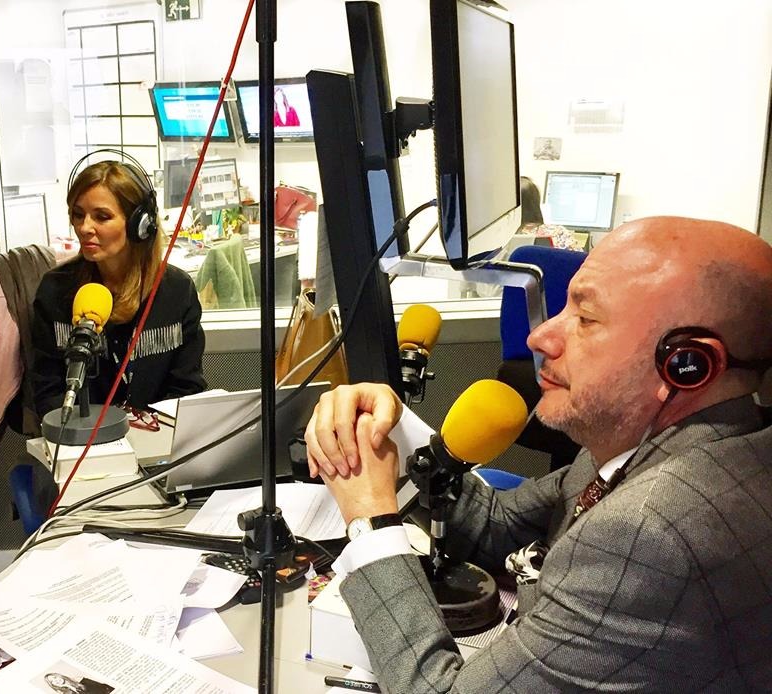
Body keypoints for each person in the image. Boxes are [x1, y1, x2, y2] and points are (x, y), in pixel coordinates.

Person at [305, 216, 772, 692]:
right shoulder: (657, 444)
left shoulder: (652, 531)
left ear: (687, 365)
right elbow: (497, 525)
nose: (540, 337)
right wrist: (390, 425)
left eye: (585, 319)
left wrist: (370, 521)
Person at [31, 160, 206, 419]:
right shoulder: (55, 291)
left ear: (140, 224)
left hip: (159, 436)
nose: (84, 228)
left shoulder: (176, 291)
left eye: (102, 217)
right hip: (80, 437)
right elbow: (48, 394)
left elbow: (187, 389)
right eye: (78, 215)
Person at [44, 672, 114, 694]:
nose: (55, 681)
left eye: (55, 677)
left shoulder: (78, 679)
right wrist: (68, 686)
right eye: (52, 682)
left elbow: (101, 686)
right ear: (53, 685)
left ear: (59, 676)